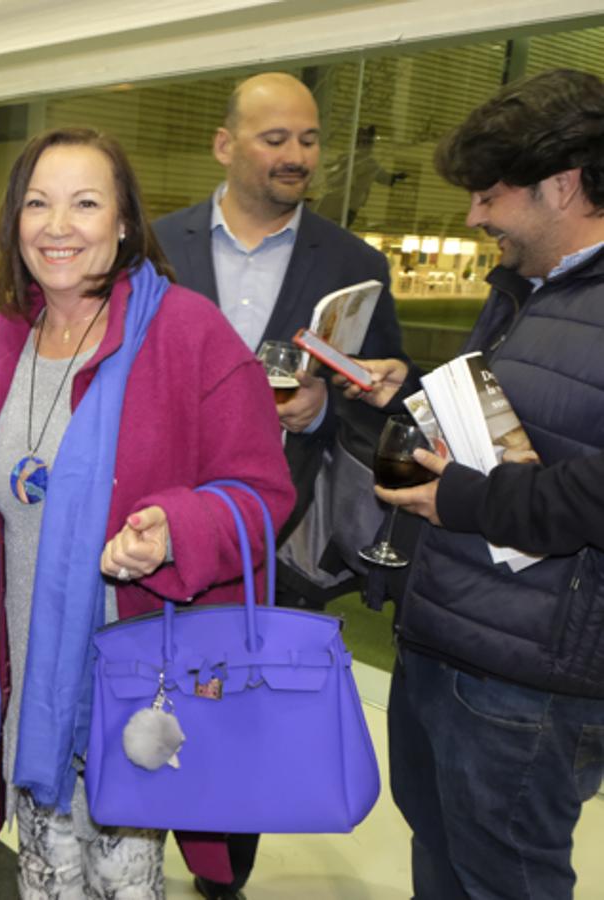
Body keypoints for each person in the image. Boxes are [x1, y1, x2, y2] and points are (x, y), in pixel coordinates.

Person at [0, 127, 294, 900]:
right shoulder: (10, 331)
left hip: (131, 681)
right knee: (43, 877)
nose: (56, 226)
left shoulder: (185, 331)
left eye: (84, 203)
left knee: (119, 884)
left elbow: (262, 491)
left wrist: (172, 528)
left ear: (125, 222)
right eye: (37, 203)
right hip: (24, 675)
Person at [340, 68, 604, 900]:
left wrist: (459, 499)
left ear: (560, 185)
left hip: (525, 683)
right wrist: (406, 392)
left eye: (489, 195)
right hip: (450, 638)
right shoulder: (530, 289)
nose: (472, 216)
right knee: (444, 867)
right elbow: (516, 426)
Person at [152, 74, 408, 896]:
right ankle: (128, 847)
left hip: (277, 535)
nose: (295, 155)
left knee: (242, 715)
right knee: (140, 689)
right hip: (154, 518)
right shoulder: (152, 248)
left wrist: (329, 405)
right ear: (225, 146)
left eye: (307, 140)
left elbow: (381, 406)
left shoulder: (356, 265)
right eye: (274, 139)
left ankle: (224, 874)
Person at [312, 124, 407, 227]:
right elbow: (332, 171)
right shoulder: (348, 158)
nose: (362, 144)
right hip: (336, 203)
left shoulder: (369, 163)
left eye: (365, 142)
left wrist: (394, 177)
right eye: (360, 141)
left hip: (347, 207)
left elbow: (383, 177)